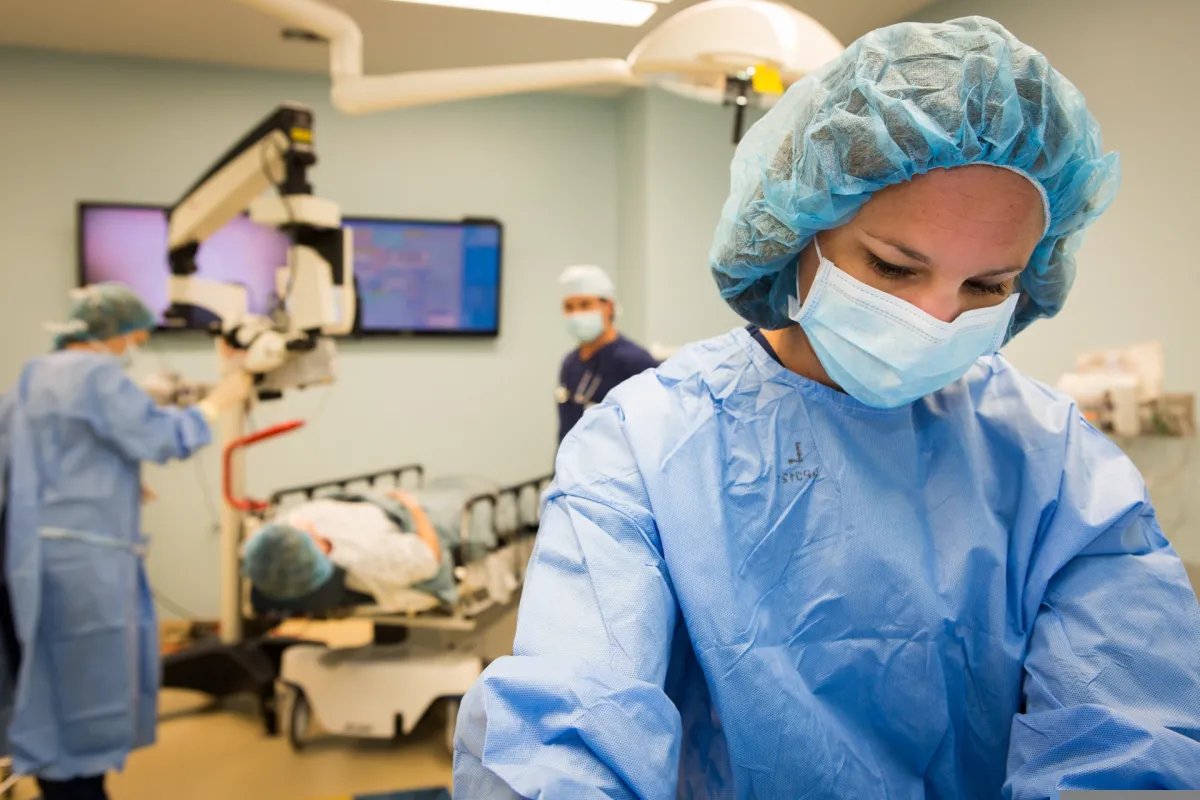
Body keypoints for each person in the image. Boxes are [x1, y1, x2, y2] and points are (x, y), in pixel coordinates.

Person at [453, 17, 1200, 800]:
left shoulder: (1057, 468)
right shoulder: (645, 443)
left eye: (986, 287)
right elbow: (566, 733)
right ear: (800, 232)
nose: (935, 319)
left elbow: (1130, 739)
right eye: (893, 266)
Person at [0, 283, 253, 800]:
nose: (134, 346)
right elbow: (163, 437)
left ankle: (59, 776)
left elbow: (38, 458)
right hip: (83, 559)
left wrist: (117, 474)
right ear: (115, 333)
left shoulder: (35, 377)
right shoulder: (94, 375)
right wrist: (218, 403)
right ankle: (77, 786)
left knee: (49, 678)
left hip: (32, 553)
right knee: (84, 689)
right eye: (135, 336)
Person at [242, 489, 447, 611]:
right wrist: (414, 508)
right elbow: (429, 557)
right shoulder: (366, 560)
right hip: (412, 515)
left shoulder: (287, 528)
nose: (298, 523)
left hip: (383, 505)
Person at [556, 265, 658, 444]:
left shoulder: (635, 363)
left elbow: (653, 434)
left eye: (585, 304)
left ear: (608, 307)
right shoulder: (570, 363)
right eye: (569, 307)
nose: (576, 313)